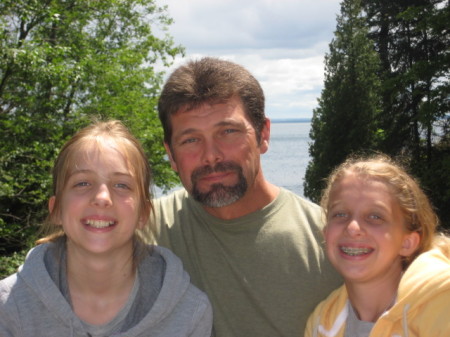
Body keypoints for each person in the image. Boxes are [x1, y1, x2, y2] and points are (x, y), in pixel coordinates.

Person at [149, 57, 342, 337]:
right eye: (190, 139)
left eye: (228, 132)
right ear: (171, 155)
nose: (211, 155)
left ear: (263, 134)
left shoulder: (328, 241)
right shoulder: (145, 231)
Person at [0, 120, 212, 337]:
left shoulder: (191, 312)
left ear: (143, 214)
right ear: (56, 210)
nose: (102, 198)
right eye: (82, 183)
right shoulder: (8, 307)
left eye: (121, 185)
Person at [305, 154, 450, 337]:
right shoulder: (321, 321)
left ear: (407, 243)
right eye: (340, 214)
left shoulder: (442, 307)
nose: (352, 228)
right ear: (326, 233)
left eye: (375, 216)